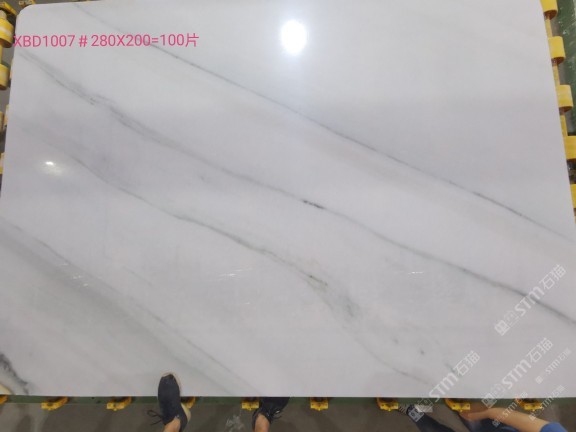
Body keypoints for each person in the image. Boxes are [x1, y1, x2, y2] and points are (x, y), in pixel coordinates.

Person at [399, 404, 567, 432]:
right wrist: (488, 413)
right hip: (495, 429)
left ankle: (412, 411)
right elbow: (536, 426)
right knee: (465, 409)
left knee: (432, 430)